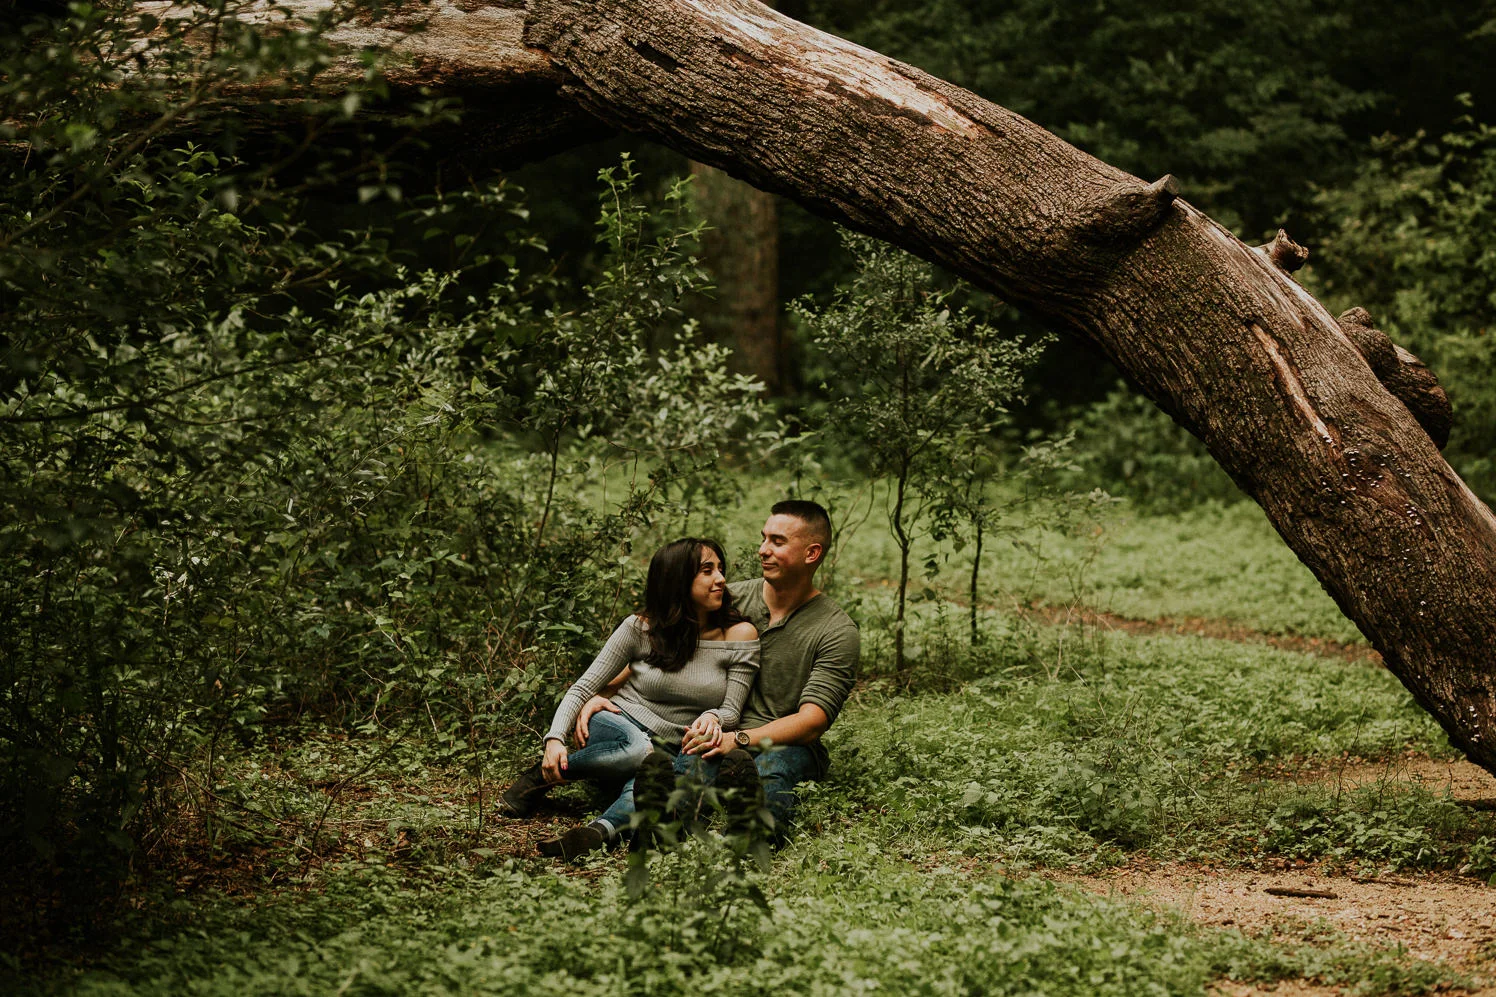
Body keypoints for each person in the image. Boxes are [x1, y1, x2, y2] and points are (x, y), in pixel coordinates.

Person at [576, 500, 859, 839]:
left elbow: (812, 721)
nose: (762, 550)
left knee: (771, 768)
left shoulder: (836, 630)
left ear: (811, 554)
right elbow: (660, 651)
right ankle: (645, 829)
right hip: (709, 731)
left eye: (777, 542)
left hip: (780, 741)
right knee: (682, 769)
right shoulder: (726, 600)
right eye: (763, 538)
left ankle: (750, 836)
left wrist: (738, 740)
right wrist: (602, 695)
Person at [497, 537, 759, 859]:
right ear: (678, 579)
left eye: (720, 569)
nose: (720, 578)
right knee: (639, 750)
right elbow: (583, 687)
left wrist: (714, 717)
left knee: (655, 785)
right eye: (707, 570)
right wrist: (554, 739)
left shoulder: (740, 636)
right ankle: (542, 775)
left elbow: (732, 709)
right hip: (619, 720)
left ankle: (596, 833)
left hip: (678, 743)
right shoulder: (640, 628)